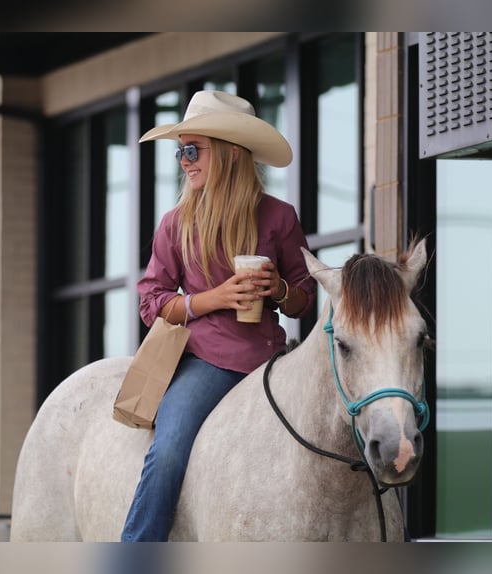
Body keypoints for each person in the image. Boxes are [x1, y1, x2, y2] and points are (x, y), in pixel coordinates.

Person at [121, 90, 317, 542]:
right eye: (180, 152)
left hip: (270, 364)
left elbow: (305, 298)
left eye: (193, 150)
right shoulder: (176, 223)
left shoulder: (279, 217)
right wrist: (215, 297)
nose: (184, 161)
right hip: (205, 363)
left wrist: (280, 290)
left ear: (229, 153)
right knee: (167, 452)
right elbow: (152, 303)